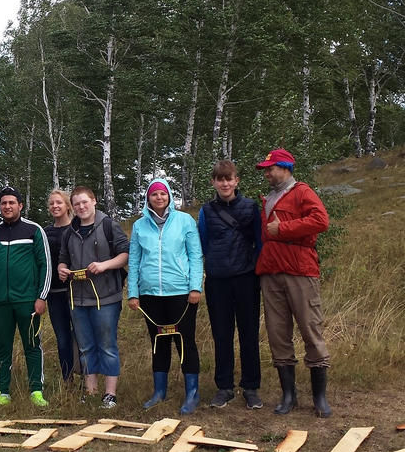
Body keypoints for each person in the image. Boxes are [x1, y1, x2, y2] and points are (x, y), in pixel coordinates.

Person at [254, 149, 332, 417]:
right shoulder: (269, 197)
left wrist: (283, 229)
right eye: (265, 169)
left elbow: (321, 221)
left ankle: (319, 399)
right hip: (271, 272)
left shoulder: (301, 192)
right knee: (277, 333)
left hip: (300, 270)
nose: (266, 173)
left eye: (270, 168)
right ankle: (289, 396)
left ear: (285, 168)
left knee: (310, 329)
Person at [127, 178, 204, 414]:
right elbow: (134, 260)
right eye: (154, 194)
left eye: (162, 194)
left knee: (185, 341)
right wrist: (133, 293)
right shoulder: (140, 226)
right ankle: (159, 392)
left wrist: (195, 288)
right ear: (148, 198)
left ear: (169, 196)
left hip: (181, 292)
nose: (159, 198)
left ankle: (192, 394)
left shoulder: (184, 221)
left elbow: (196, 255)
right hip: (150, 295)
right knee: (158, 342)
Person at [198, 160, 264, 410]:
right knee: (221, 334)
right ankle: (224, 387)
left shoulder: (250, 207)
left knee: (249, 333)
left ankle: (251, 387)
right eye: (220, 179)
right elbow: (202, 244)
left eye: (229, 179)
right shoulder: (206, 211)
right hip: (217, 280)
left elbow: (259, 242)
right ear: (213, 182)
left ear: (237, 181)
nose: (225, 183)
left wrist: (255, 270)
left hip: (246, 278)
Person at [0, 187, 51, 407]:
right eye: (3, 203)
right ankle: (3, 391)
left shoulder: (34, 230)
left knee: (32, 345)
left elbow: (45, 264)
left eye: (11, 202)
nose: (7, 206)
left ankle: (36, 390)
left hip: (27, 300)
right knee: (2, 347)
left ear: (20, 205)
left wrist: (41, 296)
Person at [57, 187, 129, 409]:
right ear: (73, 207)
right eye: (77, 204)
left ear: (94, 201)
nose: (81, 207)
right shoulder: (69, 232)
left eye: (84, 202)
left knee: (106, 345)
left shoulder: (108, 225)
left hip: (106, 297)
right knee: (85, 347)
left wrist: (104, 265)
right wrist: (61, 269)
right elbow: (63, 259)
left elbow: (126, 254)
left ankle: (110, 394)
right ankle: (90, 391)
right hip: (78, 300)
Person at [42, 189, 77, 383]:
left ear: (68, 205)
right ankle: (68, 380)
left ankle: (87, 378)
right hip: (54, 293)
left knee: (81, 337)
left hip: (78, 292)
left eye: (59, 203)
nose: (55, 206)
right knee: (62, 338)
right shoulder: (44, 232)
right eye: (51, 204)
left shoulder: (77, 229)